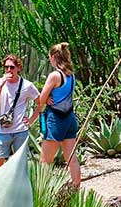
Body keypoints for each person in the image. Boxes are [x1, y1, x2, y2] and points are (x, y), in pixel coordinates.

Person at [26, 42, 81, 187]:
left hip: (56, 121)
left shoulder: (55, 76)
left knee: (45, 161)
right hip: (70, 119)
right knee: (72, 159)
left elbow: (41, 100)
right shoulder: (71, 75)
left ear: (53, 57)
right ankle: (76, 189)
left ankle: (42, 194)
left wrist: (46, 101)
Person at [0, 54, 40, 169]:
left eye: (12, 67)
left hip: (20, 130)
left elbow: (40, 102)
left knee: (21, 162)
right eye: (6, 67)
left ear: (18, 68)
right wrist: (1, 84)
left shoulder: (27, 85)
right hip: (3, 130)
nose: (8, 70)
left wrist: (31, 119)